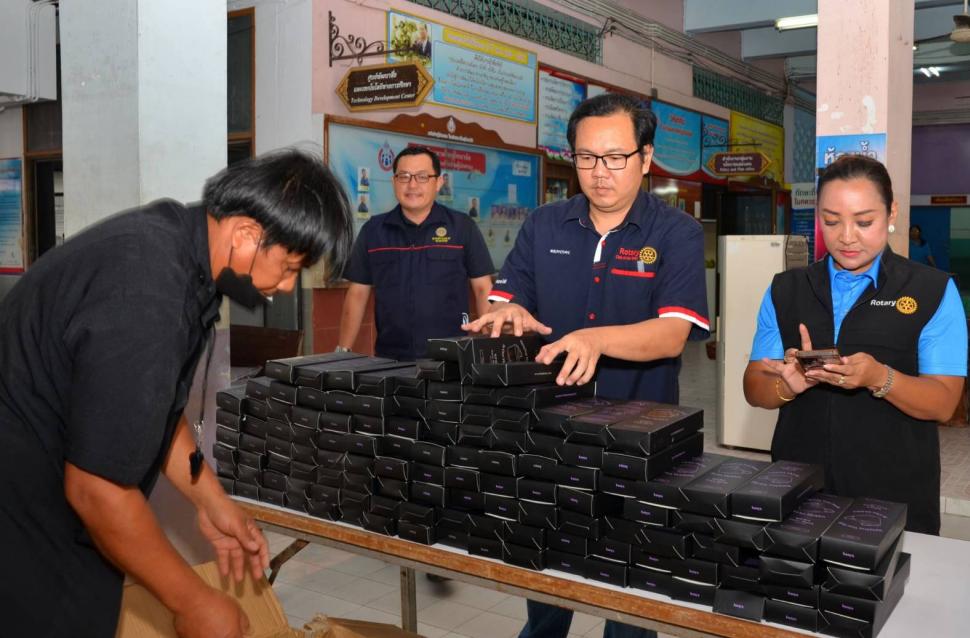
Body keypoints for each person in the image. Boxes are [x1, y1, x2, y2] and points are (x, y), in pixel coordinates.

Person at [0, 148, 354, 638]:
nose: (287, 287)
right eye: (289, 266)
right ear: (246, 235)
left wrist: (210, 500)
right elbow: (97, 488)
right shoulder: (147, 293)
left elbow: (154, 412)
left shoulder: (182, 253)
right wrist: (194, 602)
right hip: (24, 513)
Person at [463, 93, 709, 638]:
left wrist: (594, 339)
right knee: (548, 582)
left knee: (631, 597)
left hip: (640, 442)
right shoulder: (544, 225)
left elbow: (672, 335)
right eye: (586, 157)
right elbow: (506, 302)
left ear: (645, 157)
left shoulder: (676, 233)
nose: (600, 172)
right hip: (549, 436)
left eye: (616, 157)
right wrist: (507, 315)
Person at [743, 155, 966, 535]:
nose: (847, 236)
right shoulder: (787, 289)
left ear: (891, 213)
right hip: (799, 486)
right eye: (832, 221)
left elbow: (944, 402)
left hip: (894, 492)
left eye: (864, 222)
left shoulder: (932, 290)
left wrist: (880, 378)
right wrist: (786, 385)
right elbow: (753, 386)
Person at [338, 146, 494, 361]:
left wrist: (491, 348)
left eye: (422, 177)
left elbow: (483, 289)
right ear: (394, 182)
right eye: (404, 176)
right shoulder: (373, 231)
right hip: (390, 359)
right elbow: (356, 295)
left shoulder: (462, 227)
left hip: (451, 358)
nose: (412, 185)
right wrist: (342, 352)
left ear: (438, 182)